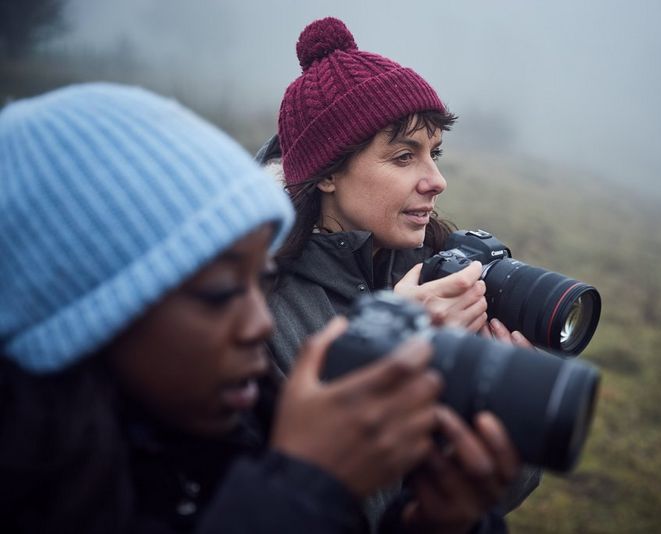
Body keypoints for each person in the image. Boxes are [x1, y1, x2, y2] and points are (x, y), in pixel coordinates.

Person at [0, 83, 512, 533]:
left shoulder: (225, 438)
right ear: (88, 312)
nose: (260, 322)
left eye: (260, 279)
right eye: (221, 293)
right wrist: (305, 490)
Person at [257, 16, 541, 525]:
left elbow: (481, 501)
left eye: (434, 153)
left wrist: (501, 417)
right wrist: (390, 358)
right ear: (327, 173)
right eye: (404, 156)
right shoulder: (261, 313)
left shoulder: (434, 273)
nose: (437, 180)